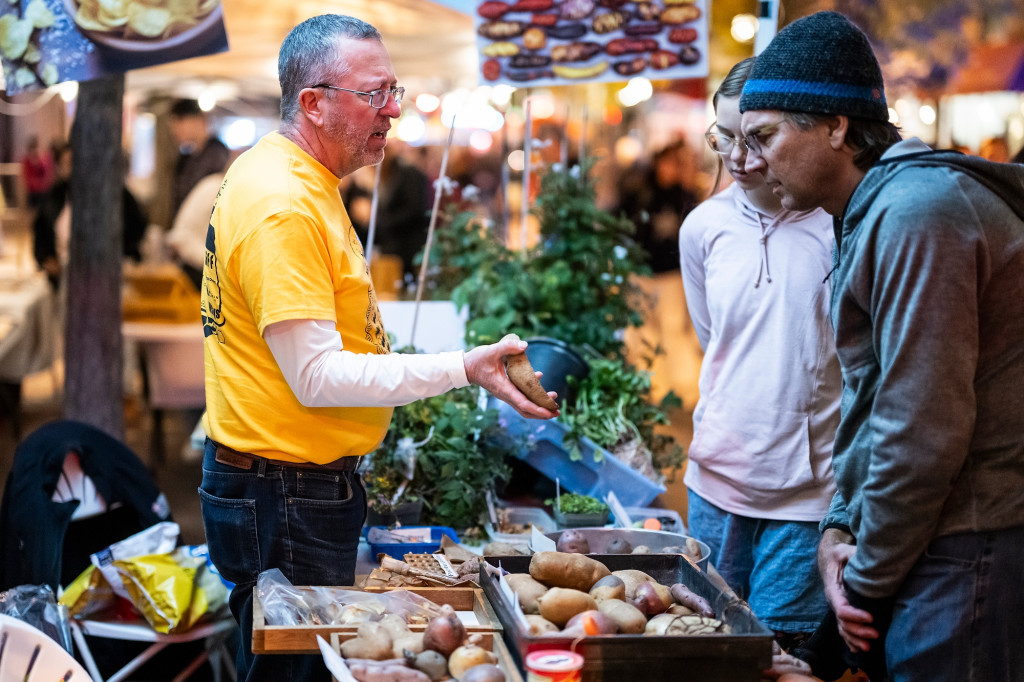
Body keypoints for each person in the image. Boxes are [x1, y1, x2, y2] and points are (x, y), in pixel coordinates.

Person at [197, 15, 558, 682]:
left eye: (393, 89)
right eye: (374, 94)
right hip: (284, 491)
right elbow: (316, 377)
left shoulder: (296, 175)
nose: (392, 109)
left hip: (284, 483)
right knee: (294, 673)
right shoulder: (283, 203)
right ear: (314, 101)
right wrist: (463, 368)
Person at [739, 11, 1024, 681]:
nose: (749, 161)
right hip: (928, 542)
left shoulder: (919, 214)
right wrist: (841, 525)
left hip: (968, 546)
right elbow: (872, 394)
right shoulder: (874, 208)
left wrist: (862, 584)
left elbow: (920, 427)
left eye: (765, 136)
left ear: (837, 126)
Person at [678, 57, 839, 654]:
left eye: (757, 141)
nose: (739, 159)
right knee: (709, 640)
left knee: (781, 651)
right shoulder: (703, 227)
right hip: (716, 481)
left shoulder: (838, 228)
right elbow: (714, 339)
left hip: (808, 491)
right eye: (724, 139)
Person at [168, 98, 230, 222]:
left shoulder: (217, 154)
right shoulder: (187, 157)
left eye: (179, 123)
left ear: (197, 120)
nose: (175, 131)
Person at [20, 136, 54, 209]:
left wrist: (38, 162)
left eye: (36, 148)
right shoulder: (27, 161)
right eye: (32, 148)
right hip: (32, 192)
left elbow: (47, 175)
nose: (34, 151)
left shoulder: (45, 158)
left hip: (44, 192)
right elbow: (27, 177)